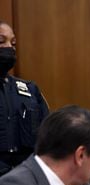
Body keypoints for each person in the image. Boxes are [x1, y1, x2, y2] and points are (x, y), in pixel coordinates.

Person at [0, 21, 49, 175]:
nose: (9, 47)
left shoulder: (30, 90)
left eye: (13, 43)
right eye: (1, 41)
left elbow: (50, 137)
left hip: (25, 179)